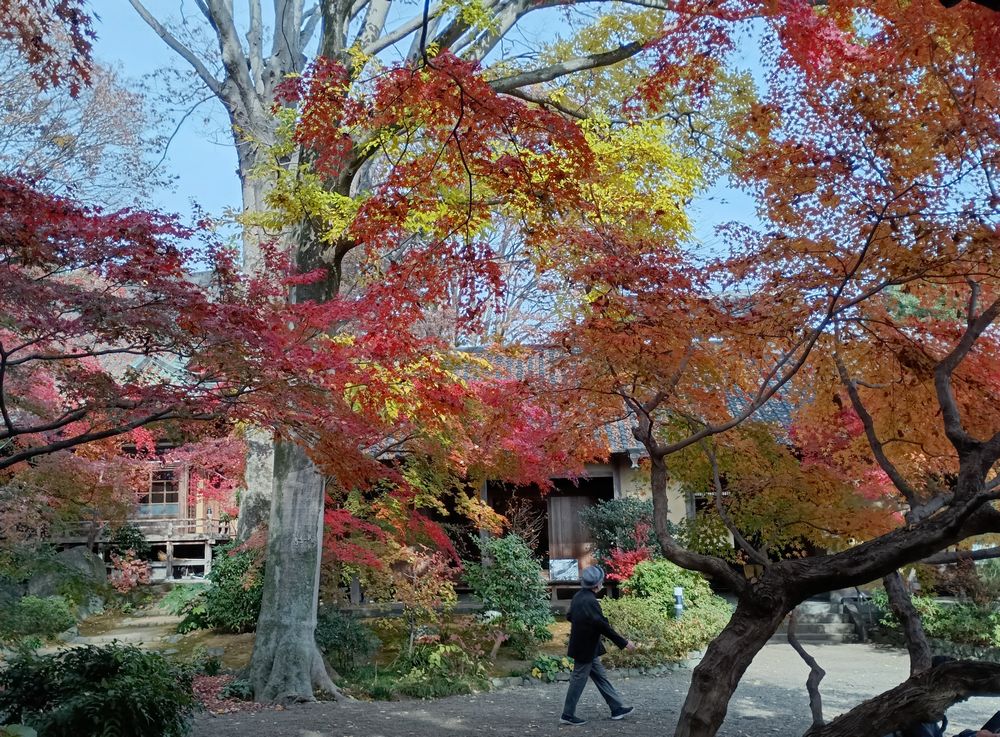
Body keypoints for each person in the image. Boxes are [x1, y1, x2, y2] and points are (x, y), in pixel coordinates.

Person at [560, 564, 637, 726]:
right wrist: (624, 643)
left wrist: (583, 626)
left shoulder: (578, 596)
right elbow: (602, 626)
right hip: (585, 648)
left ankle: (616, 708)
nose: (602, 583)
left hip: (588, 647)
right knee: (578, 680)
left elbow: (569, 616)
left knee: (601, 676)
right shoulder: (590, 601)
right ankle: (567, 714)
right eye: (601, 581)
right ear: (597, 585)